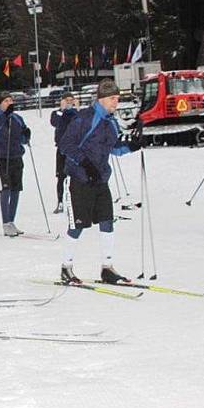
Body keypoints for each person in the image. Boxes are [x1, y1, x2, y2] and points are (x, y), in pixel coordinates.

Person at [58, 79, 141, 284]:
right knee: (78, 225)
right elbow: (65, 144)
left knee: (107, 221)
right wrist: (85, 164)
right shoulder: (85, 118)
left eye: (117, 99)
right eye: (113, 99)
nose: (116, 103)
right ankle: (66, 267)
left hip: (101, 179)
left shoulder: (110, 122)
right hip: (80, 178)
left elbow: (113, 148)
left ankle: (107, 268)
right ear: (102, 99)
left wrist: (133, 145)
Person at [0, 92, 31, 237]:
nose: (9, 103)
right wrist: (5, 115)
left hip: (16, 156)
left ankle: (11, 221)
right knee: (5, 189)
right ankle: (5, 223)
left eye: (11, 100)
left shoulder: (17, 118)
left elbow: (23, 138)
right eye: (6, 101)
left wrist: (26, 134)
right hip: (3, 157)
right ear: (0, 103)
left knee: (16, 189)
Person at [50, 92, 78, 214]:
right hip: (61, 149)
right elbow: (55, 122)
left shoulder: (76, 114)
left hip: (74, 149)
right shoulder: (57, 113)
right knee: (61, 176)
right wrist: (62, 110)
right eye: (66, 100)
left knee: (77, 176)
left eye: (71, 100)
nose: (69, 102)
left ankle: (77, 202)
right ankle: (60, 202)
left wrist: (76, 110)